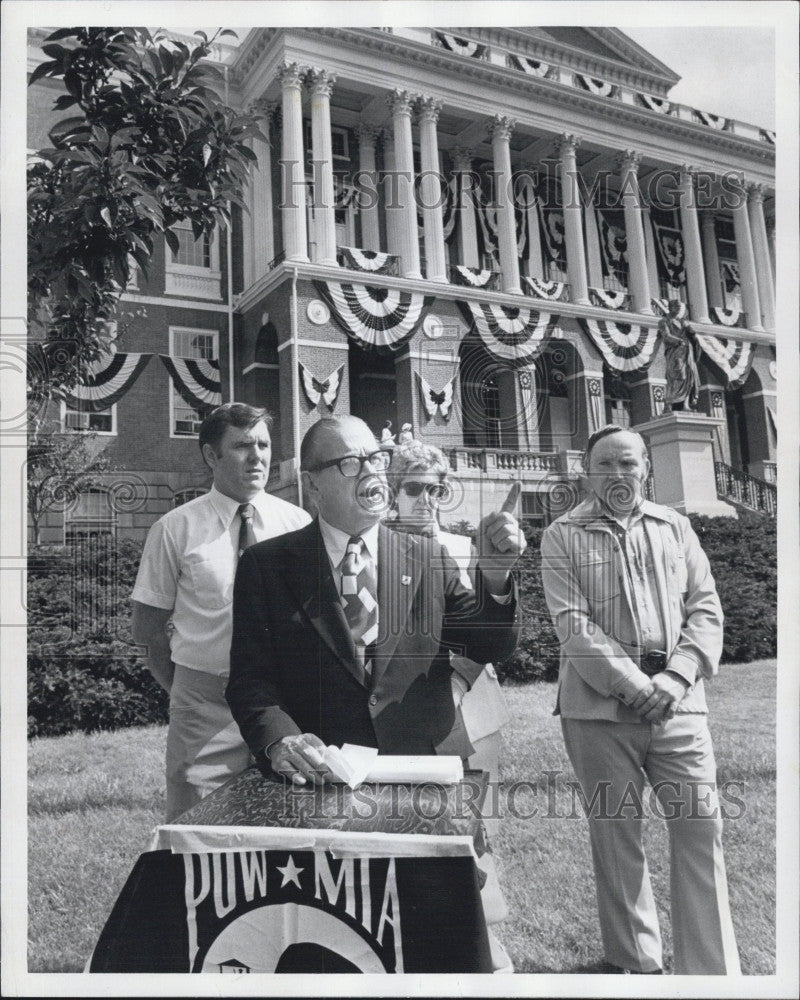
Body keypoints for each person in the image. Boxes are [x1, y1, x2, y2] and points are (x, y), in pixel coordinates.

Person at [226, 414, 525, 784]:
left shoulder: (428, 557)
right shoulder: (266, 566)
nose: (371, 472)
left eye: (377, 459)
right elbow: (251, 681)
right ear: (312, 484)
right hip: (318, 777)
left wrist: (495, 576)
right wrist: (281, 741)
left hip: (422, 773)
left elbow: (488, 644)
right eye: (351, 463)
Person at [540, 425, 740, 975]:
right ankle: (637, 966)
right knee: (617, 836)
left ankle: (711, 971)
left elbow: (705, 607)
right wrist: (634, 685)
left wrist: (677, 678)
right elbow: (572, 626)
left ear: (646, 469)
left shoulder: (676, 527)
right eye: (606, 464)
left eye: (629, 463)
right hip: (599, 711)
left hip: (680, 705)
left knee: (701, 827)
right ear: (586, 472)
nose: (619, 473)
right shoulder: (561, 535)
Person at [131, 403, 311, 821]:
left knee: (288, 820)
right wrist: (186, 690)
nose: (258, 457)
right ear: (211, 456)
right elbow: (148, 629)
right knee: (197, 825)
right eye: (243, 446)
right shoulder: (175, 528)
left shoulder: (298, 524)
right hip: (206, 705)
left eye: (264, 445)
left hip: (284, 703)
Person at [386, 439, 511, 800]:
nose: (426, 498)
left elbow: (489, 628)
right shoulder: (377, 550)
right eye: (413, 488)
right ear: (394, 493)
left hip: (472, 703)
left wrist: (457, 683)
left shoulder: (464, 548)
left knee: (482, 817)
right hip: (407, 705)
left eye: (435, 489)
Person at [659, 299, 700, 410]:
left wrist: (691, 331)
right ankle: (668, 404)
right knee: (677, 376)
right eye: (676, 307)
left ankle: (685, 405)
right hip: (674, 352)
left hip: (687, 352)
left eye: (679, 307)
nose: (678, 309)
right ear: (670, 307)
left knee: (689, 377)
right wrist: (678, 341)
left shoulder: (682, 322)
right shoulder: (664, 321)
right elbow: (666, 336)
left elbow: (692, 334)